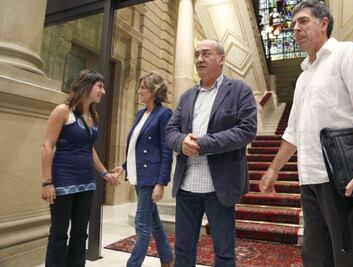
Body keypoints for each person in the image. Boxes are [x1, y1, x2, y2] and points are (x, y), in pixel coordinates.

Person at [259, 1, 353, 266]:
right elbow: (292, 132)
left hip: (344, 180)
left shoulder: (347, 53)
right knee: (316, 258)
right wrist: (273, 169)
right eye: (293, 25)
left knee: (352, 259)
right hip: (310, 182)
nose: (295, 29)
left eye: (303, 21)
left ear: (324, 23)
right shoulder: (304, 76)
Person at [165, 39, 257, 267]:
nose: (199, 59)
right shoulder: (187, 96)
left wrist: (204, 143)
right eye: (196, 54)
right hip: (187, 186)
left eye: (206, 54)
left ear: (222, 59)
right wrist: (181, 142)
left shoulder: (239, 91)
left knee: (224, 252)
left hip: (220, 187)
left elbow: (246, 130)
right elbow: (170, 130)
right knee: (183, 250)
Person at [41, 70, 120, 267]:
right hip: (63, 181)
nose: (103, 91)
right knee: (59, 233)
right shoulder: (63, 111)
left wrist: (104, 173)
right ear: (86, 86)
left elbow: (89, 149)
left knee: (79, 233)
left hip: (86, 183)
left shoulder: (94, 116)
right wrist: (47, 182)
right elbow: (47, 146)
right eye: (100, 86)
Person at [111, 71, 174, 267]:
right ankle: (167, 258)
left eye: (143, 88)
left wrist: (161, 183)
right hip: (138, 175)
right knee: (153, 220)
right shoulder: (141, 114)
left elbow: (166, 151)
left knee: (141, 224)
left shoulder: (164, 114)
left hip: (150, 176)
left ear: (154, 91)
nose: (139, 91)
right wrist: (123, 167)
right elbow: (135, 146)